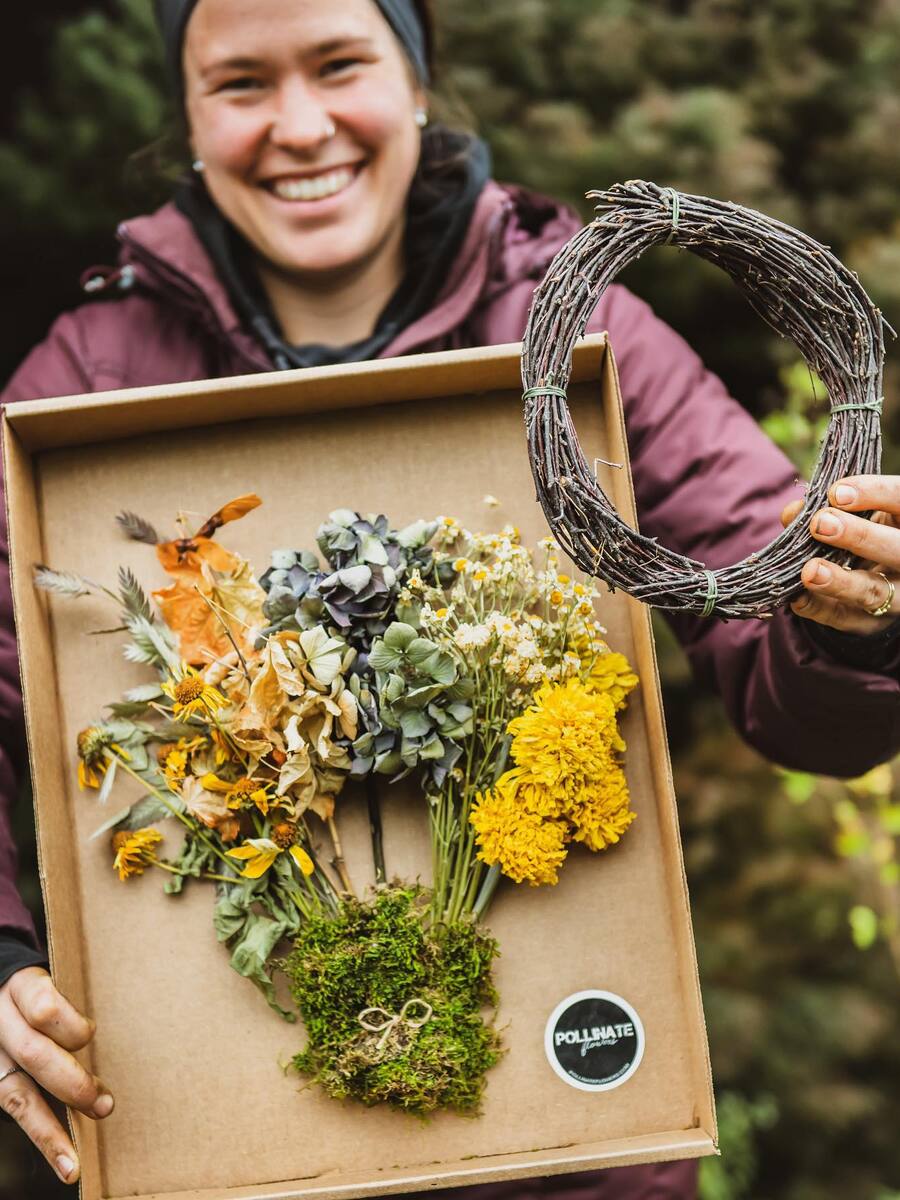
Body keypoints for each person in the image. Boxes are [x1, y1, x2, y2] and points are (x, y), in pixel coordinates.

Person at [0, 0, 898, 1193]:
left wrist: (852, 618)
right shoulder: (88, 376)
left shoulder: (583, 340)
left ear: (417, 81)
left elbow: (784, 668)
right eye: (241, 83)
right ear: (189, 116)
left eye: (340, 64)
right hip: (230, 1152)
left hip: (573, 1152)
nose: (300, 124)